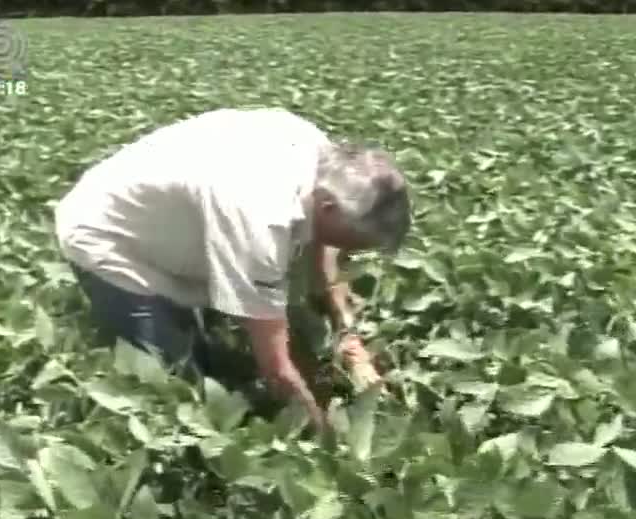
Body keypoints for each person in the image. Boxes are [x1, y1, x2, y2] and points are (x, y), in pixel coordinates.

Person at [54, 107, 411, 431]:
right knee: (174, 387)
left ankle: (201, 327)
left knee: (214, 342)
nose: (351, 252)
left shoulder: (322, 159)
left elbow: (325, 248)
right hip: (111, 236)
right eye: (354, 242)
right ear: (328, 208)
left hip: (174, 218)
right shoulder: (261, 220)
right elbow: (277, 369)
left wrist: (350, 340)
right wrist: (328, 440)